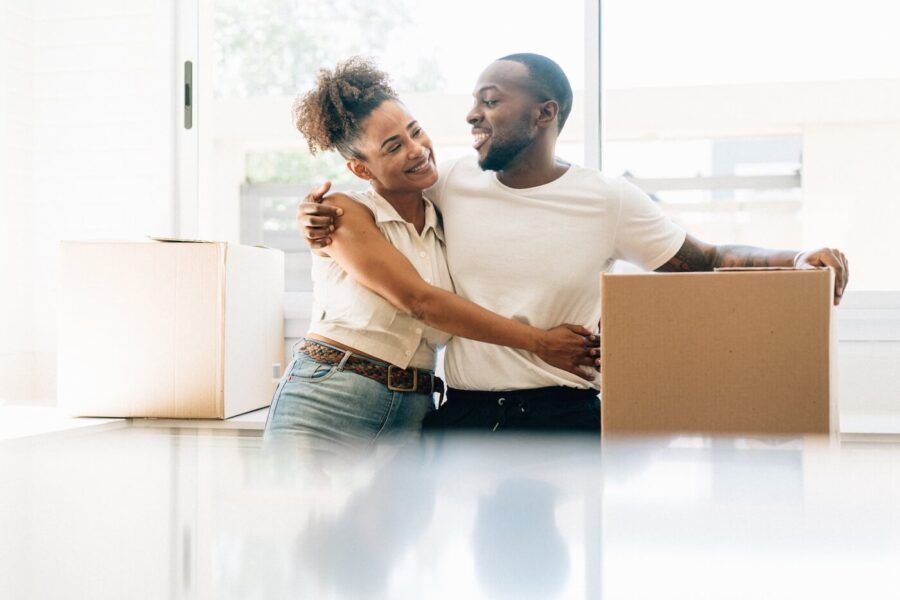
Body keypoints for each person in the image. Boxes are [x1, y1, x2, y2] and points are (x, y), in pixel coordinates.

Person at [298, 53, 850, 433]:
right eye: (473, 101)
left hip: (561, 416)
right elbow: (381, 193)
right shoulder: (453, 181)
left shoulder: (608, 199)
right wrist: (316, 215)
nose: (471, 114)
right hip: (460, 416)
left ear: (545, 113)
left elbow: (706, 260)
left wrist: (798, 258)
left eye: (490, 101)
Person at [263, 57, 599, 451]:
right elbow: (419, 301)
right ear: (361, 170)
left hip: (414, 409)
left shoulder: (447, 218)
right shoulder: (342, 212)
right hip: (329, 399)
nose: (417, 150)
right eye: (394, 147)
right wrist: (541, 343)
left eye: (415, 132)